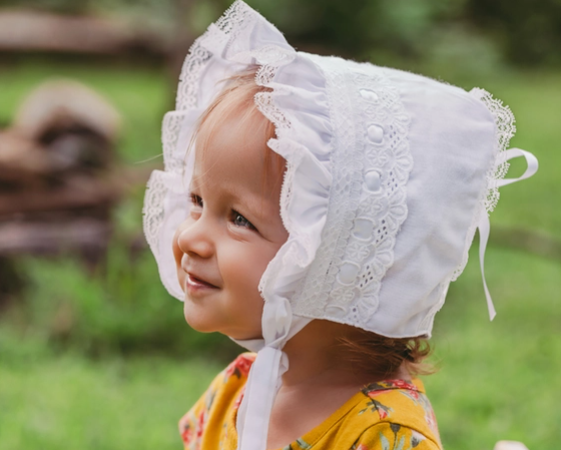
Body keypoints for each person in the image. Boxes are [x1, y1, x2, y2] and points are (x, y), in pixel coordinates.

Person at [142, 2, 538, 450]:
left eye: (238, 219)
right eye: (197, 202)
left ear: (337, 258)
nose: (189, 236)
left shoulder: (383, 434)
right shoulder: (235, 390)